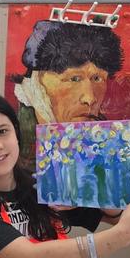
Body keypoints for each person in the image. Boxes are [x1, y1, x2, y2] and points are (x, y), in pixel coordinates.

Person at [0, 92, 130, 258]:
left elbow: (116, 217)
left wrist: (104, 196)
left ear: (16, 134)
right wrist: (121, 235)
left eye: (2, 131)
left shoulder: (42, 180)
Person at [11, 19, 123, 158]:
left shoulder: (113, 140)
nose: (90, 99)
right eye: (74, 79)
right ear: (37, 83)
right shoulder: (13, 136)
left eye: (97, 78)